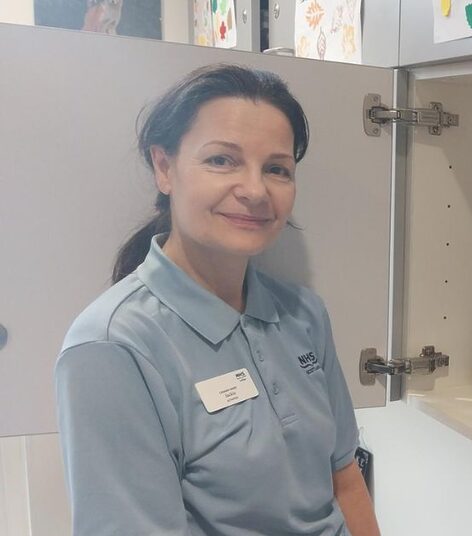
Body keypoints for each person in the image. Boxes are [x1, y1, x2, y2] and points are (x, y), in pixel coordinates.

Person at [54, 63, 381, 536]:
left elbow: (345, 477)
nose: (254, 190)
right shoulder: (112, 348)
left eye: (276, 169)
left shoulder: (304, 314)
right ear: (164, 167)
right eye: (221, 160)